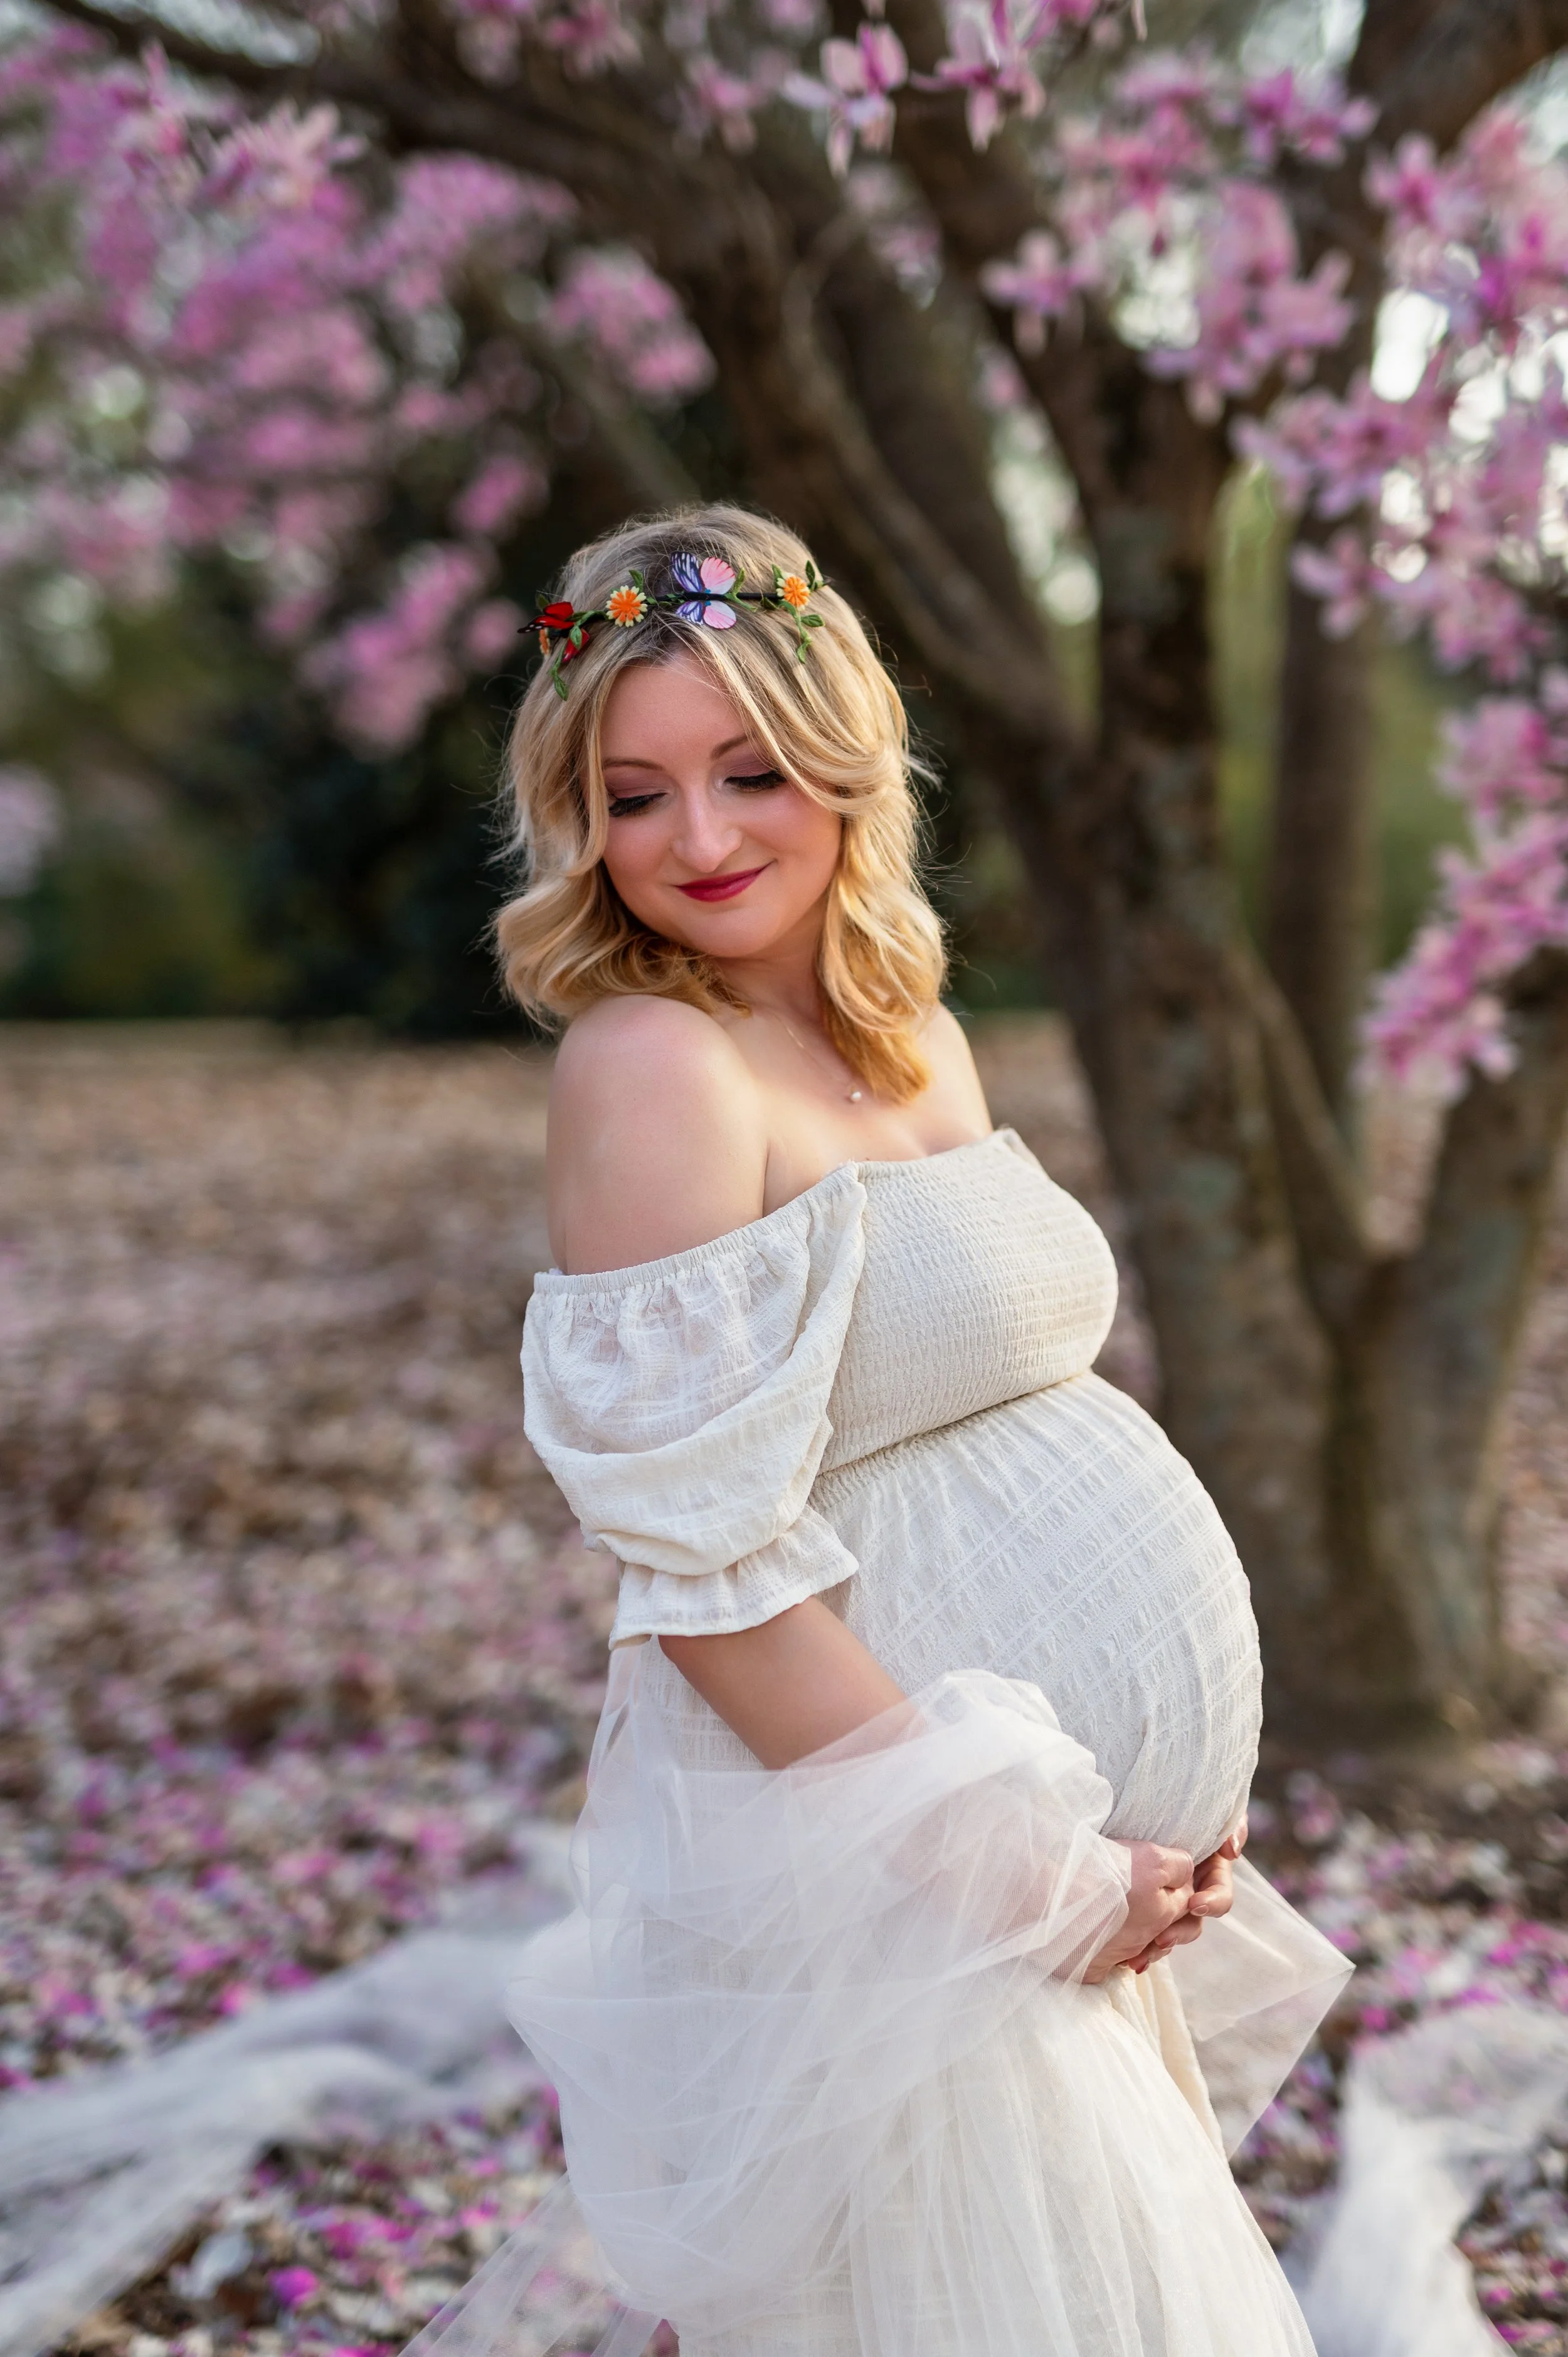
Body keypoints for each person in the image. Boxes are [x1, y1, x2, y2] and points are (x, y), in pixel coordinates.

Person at [490, 504, 1350, 2356]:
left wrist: (1127, 1823)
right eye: (633, 795)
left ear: (846, 756)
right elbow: (705, 1577)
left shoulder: (908, 1032)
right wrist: (1018, 1870)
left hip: (1036, 1866)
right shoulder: (654, 1065)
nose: (697, 837)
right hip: (893, 1874)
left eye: (748, 768)